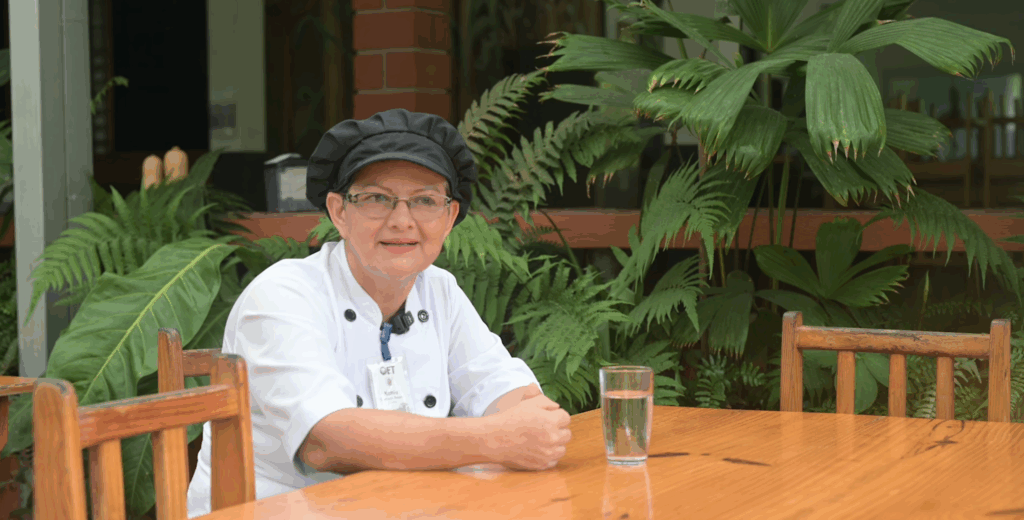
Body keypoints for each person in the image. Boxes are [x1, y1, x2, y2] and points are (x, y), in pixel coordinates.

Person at [186, 108, 572, 517]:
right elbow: (326, 441)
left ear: (449, 217)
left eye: (425, 201)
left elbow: (510, 394)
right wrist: (496, 439)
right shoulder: (283, 295)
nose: (402, 221)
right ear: (339, 213)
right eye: (376, 199)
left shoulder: (439, 291)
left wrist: (524, 425)